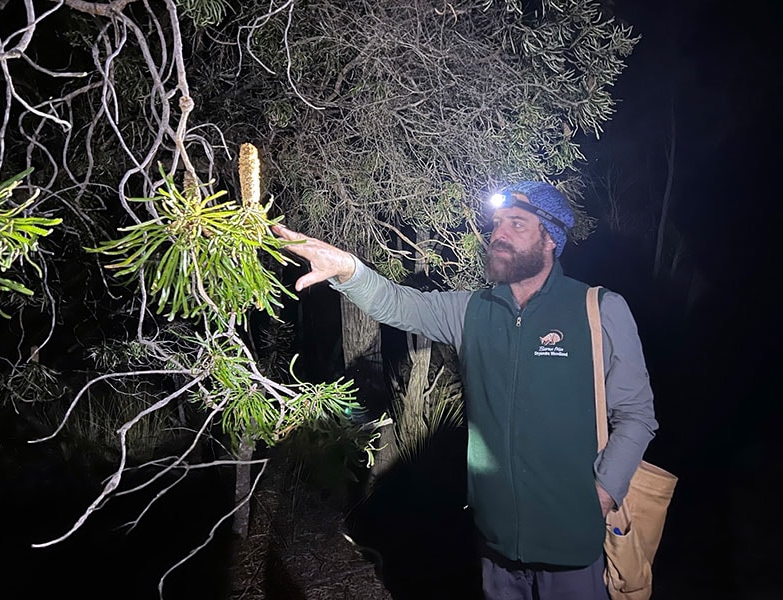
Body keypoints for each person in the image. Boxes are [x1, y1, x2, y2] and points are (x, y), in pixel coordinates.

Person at [272, 181, 658, 600]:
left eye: (516, 223)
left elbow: (636, 415)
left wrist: (602, 493)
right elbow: (400, 304)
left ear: (551, 239)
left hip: (572, 540)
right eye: (496, 225)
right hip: (495, 539)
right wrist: (348, 269)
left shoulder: (598, 309)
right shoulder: (471, 309)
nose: (498, 234)